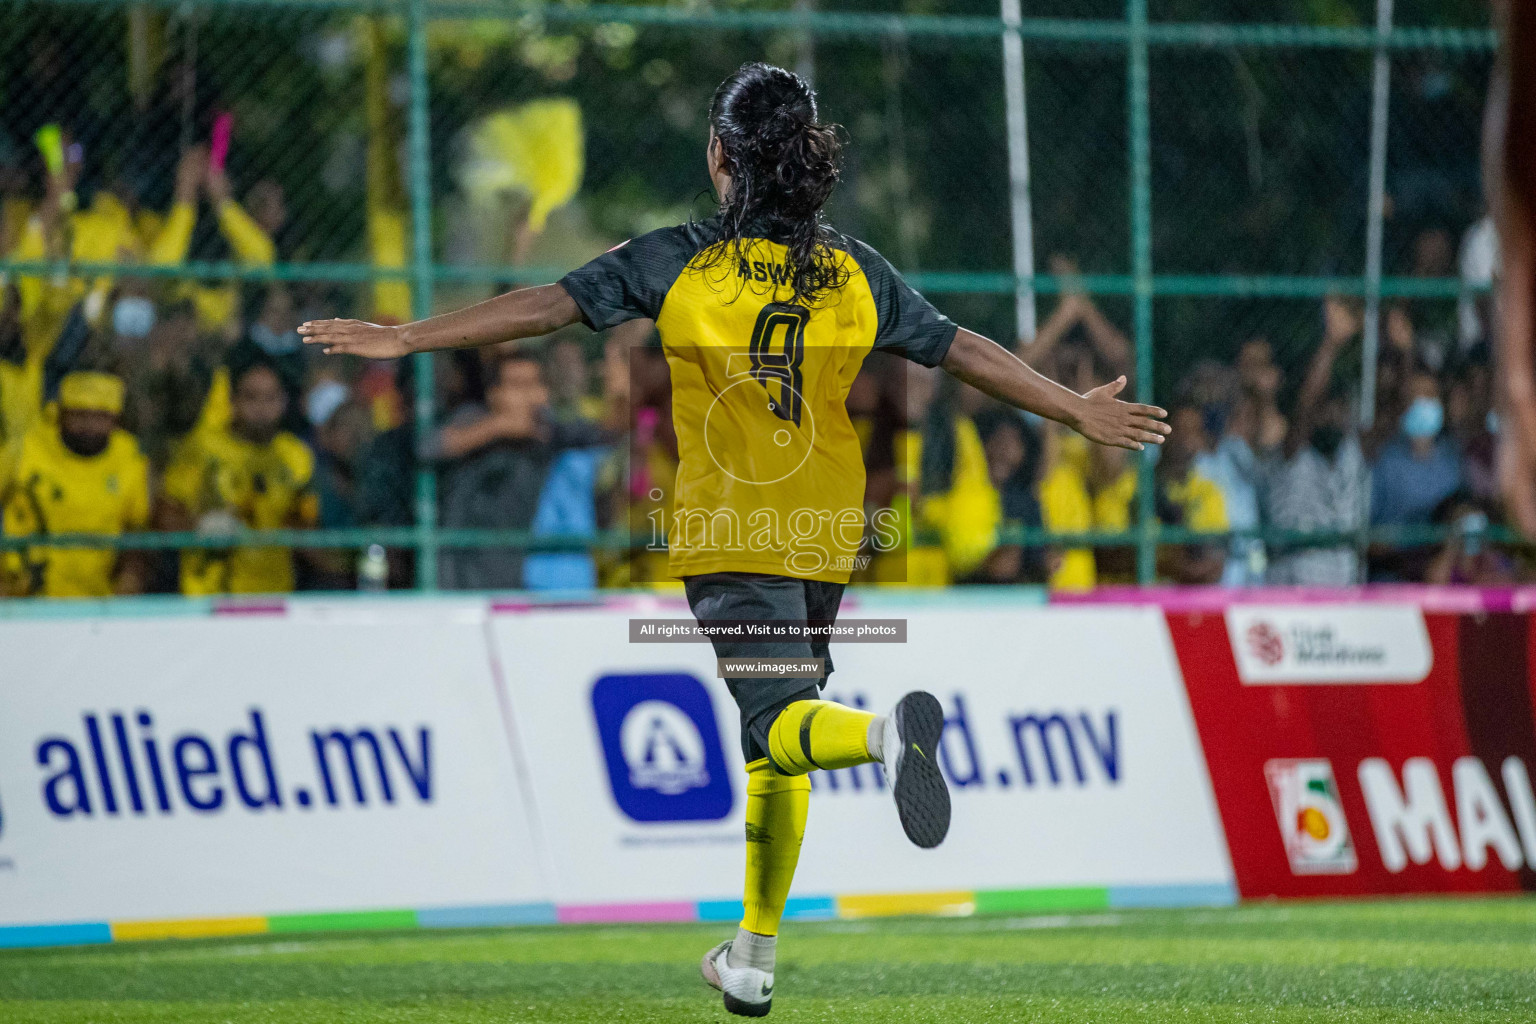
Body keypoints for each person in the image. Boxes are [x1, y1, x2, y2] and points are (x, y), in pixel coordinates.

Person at [300, 62, 1168, 1018]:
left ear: (721, 156)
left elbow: (546, 304)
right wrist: (1071, 410)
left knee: (778, 726)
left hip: (731, 530)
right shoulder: (853, 269)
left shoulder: (675, 260)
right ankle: (751, 956)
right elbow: (957, 346)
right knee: (776, 749)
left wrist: (406, 338)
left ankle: (883, 736)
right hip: (829, 532)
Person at [160, 357, 318, 595]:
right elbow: (164, 513)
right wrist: (199, 529)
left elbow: (307, 527)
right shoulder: (204, 448)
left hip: (274, 595)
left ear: (284, 403)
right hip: (208, 597)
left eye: (271, 398)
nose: (262, 408)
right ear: (233, 401)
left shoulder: (295, 456)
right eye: (251, 397)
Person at [1, 371, 149, 597]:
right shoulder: (26, 450)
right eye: (79, 414)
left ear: (115, 419)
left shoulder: (129, 458)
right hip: (23, 598)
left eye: (100, 416)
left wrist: (130, 578)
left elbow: (138, 530)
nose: (89, 425)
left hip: (98, 602)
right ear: (61, 414)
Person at [1262, 298, 1370, 586]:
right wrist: (1331, 345)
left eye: (1339, 409)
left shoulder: (1350, 451)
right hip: (1293, 583)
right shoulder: (1291, 453)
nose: (1333, 417)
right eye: (1326, 409)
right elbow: (1306, 406)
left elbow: (1394, 414)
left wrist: (1403, 348)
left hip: (1345, 583)